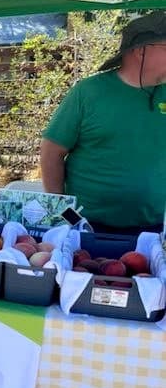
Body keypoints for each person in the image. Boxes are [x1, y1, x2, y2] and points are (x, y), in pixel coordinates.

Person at [41, 12, 166, 235]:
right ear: (141, 50)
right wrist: (63, 213)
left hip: (156, 228)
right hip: (86, 227)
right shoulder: (88, 93)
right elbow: (52, 151)